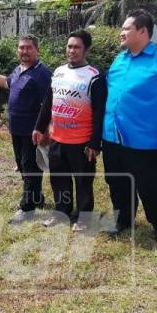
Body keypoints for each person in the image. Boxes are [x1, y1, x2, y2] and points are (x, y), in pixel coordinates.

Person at [102, 9, 157, 241]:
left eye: (126, 28)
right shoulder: (119, 60)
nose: (121, 33)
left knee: (149, 183)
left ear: (143, 31)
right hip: (113, 136)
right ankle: (123, 218)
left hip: (145, 139)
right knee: (117, 181)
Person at [32, 30, 107, 231]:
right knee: (59, 179)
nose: (71, 51)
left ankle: (84, 218)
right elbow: (48, 102)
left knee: (83, 181)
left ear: (86, 50)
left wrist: (94, 142)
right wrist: (39, 128)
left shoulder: (95, 77)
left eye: (77, 47)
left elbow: (100, 112)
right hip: (57, 138)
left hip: (81, 142)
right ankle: (62, 212)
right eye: (69, 46)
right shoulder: (58, 72)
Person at [0, 35, 52, 223]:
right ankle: (37, 197)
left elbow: (50, 103)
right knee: (23, 165)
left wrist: (45, 129)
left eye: (28, 48)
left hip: (32, 130)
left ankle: (26, 209)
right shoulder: (18, 70)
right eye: (21, 48)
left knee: (30, 167)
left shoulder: (42, 74)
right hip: (16, 129)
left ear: (37, 50)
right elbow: (5, 82)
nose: (24, 51)